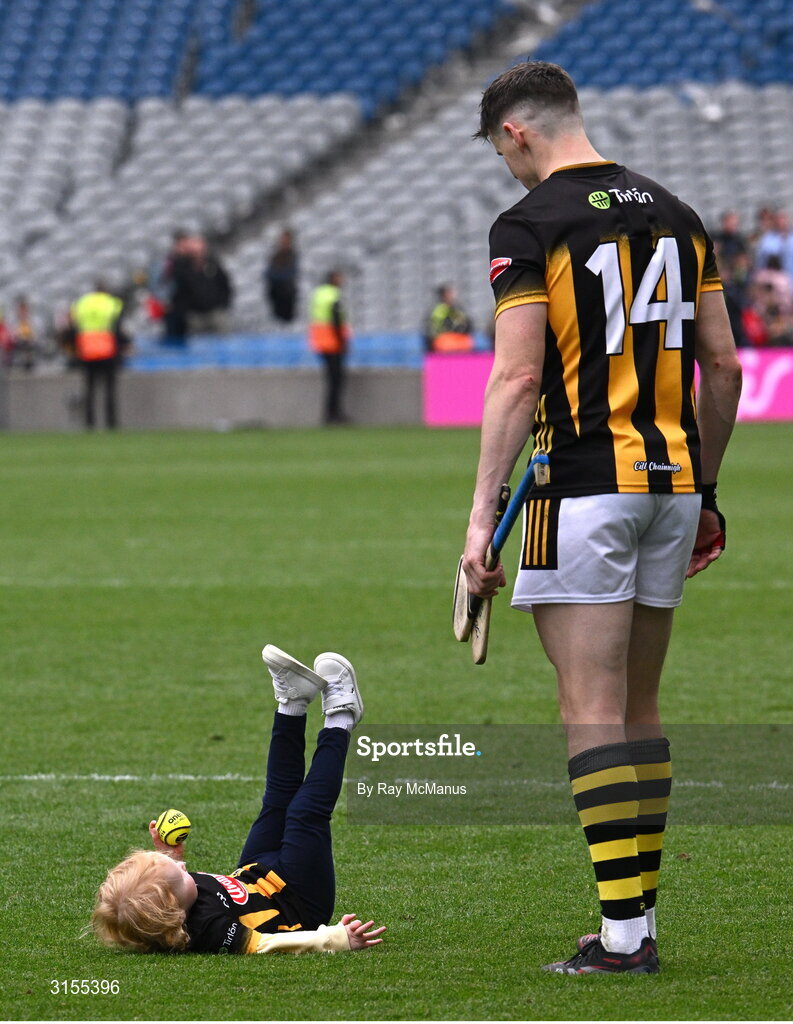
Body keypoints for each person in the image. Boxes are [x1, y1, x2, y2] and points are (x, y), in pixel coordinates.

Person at [462, 61, 742, 975]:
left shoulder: (529, 222)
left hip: (577, 489)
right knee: (638, 707)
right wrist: (700, 490)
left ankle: (624, 941)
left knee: (588, 709)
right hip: (667, 488)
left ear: (516, 133)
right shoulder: (676, 211)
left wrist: (479, 516)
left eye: (501, 153)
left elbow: (514, 376)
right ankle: (633, 924)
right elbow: (725, 369)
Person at [91, 645, 385, 956]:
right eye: (178, 872)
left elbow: (176, 882)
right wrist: (333, 939)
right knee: (304, 812)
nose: (184, 867)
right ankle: (341, 716)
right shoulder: (207, 929)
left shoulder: (175, 899)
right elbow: (266, 944)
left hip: (254, 872)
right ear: (175, 911)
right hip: (299, 899)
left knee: (277, 798)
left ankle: (293, 701)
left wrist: (168, 853)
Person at [69, 281, 125, 429]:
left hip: (87, 351)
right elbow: (117, 328)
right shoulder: (112, 303)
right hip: (107, 350)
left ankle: (89, 422)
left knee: (89, 389)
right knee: (109, 389)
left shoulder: (82, 303)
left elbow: (74, 327)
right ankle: (111, 422)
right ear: (105, 290)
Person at [309, 269, 351, 424]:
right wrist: (343, 342)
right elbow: (336, 321)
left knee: (331, 380)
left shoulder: (319, 293)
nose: (342, 281)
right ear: (333, 279)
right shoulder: (333, 295)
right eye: (340, 277)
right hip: (333, 342)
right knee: (336, 380)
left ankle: (330, 413)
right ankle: (333, 414)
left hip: (320, 341)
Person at [423, 284, 475, 352]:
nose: (453, 296)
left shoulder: (458, 309)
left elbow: (467, 324)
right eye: (450, 293)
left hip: (457, 338)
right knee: (446, 343)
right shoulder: (438, 310)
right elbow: (434, 330)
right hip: (443, 339)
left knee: (468, 342)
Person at [264, 228, 299, 323]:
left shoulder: (293, 256)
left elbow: (291, 273)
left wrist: (278, 275)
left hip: (287, 295)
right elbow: (268, 273)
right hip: (275, 294)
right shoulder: (275, 256)